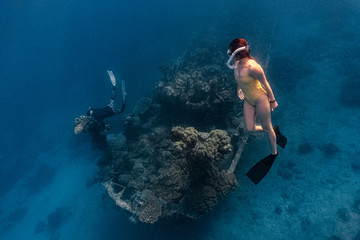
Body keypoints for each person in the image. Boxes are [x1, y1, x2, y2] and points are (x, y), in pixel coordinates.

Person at [226, 38, 287, 184]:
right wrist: (239, 88)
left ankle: (273, 153)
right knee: (250, 128)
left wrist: (272, 100)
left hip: (260, 98)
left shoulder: (254, 67)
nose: (230, 55)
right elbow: (239, 79)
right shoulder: (236, 63)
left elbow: (265, 83)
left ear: (238, 53)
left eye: (231, 52)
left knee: (266, 128)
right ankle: (272, 130)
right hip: (248, 99)